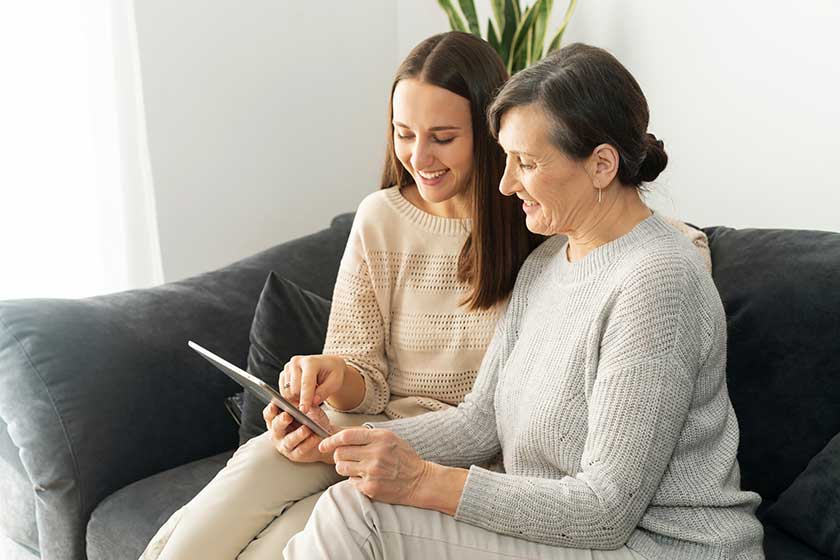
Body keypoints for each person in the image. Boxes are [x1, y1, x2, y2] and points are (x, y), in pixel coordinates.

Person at [284, 43, 763, 560]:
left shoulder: (659, 284)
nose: (507, 184)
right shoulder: (547, 262)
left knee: (357, 518)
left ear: (602, 164)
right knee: (348, 502)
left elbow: (604, 511)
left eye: (527, 163)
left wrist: (422, 481)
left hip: (657, 549)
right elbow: (481, 421)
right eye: (507, 159)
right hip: (557, 535)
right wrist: (345, 439)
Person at [141, 30, 541, 560]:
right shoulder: (380, 217)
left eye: (443, 138)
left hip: (451, 457)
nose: (419, 157)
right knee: (257, 467)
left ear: (491, 134)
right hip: (364, 430)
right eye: (403, 133)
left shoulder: (535, 226)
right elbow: (364, 376)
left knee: (292, 538)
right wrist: (326, 381)